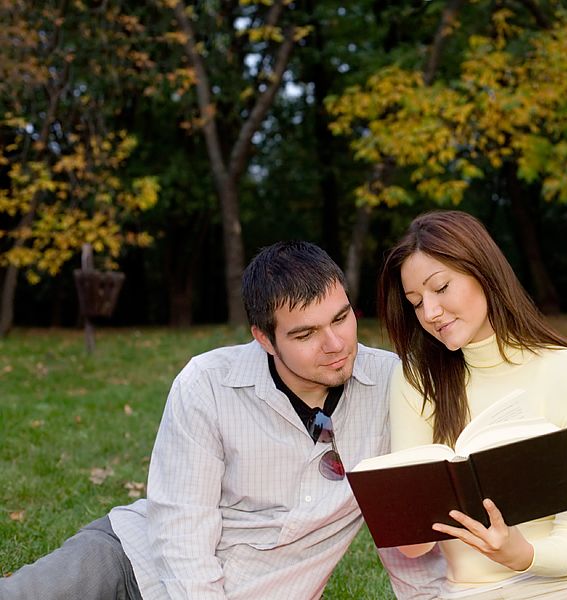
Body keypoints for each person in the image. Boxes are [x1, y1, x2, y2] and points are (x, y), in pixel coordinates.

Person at [0, 241, 446, 600]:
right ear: (264, 339)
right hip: (132, 562)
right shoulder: (207, 383)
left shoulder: (394, 386)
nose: (334, 343)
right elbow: (181, 527)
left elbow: (410, 540)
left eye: (341, 318)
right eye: (305, 334)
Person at [376, 211, 567, 600]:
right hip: (476, 591)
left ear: (482, 272)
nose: (430, 313)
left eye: (441, 288)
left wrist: (519, 553)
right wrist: (405, 520)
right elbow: (414, 543)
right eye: (416, 303)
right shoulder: (417, 380)